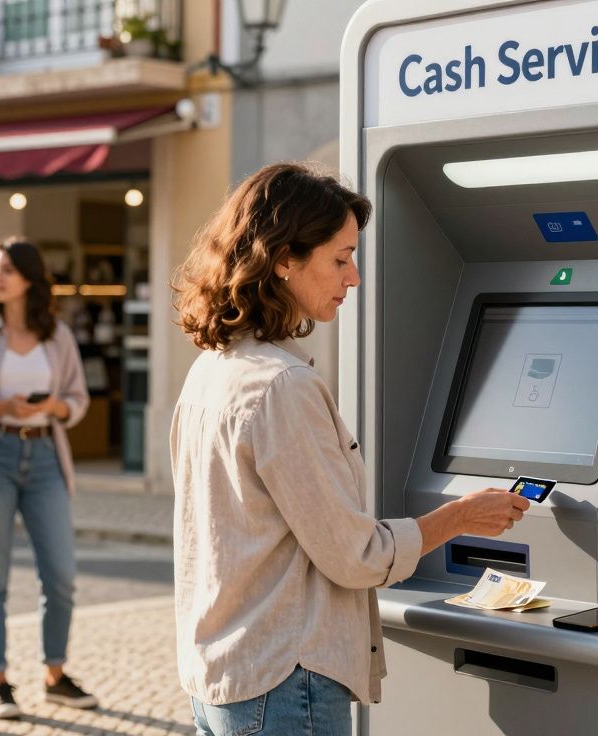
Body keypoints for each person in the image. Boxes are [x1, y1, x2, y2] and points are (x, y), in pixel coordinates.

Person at [170, 162, 531, 736]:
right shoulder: (282, 386)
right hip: (284, 680)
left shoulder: (212, 370)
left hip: (224, 669)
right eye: (339, 258)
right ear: (284, 257)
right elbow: (355, 555)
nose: (355, 277)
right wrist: (462, 516)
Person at [0, 238, 94, 720]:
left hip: (46, 456)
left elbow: (77, 399)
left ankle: (56, 676)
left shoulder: (57, 336)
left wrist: (52, 407)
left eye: (7, 269)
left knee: (62, 576)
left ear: (30, 279)